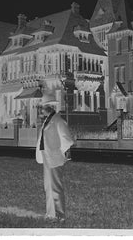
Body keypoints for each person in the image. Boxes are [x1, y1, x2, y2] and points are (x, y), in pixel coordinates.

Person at [35, 92, 75, 222]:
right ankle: (50, 213)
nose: (41, 110)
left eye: (42, 107)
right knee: (48, 187)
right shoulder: (48, 120)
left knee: (56, 187)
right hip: (47, 157)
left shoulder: (58, 121)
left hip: (54, 157)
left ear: (49, 107)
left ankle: (59, 215)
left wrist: (59, 153)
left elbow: (67, 140)